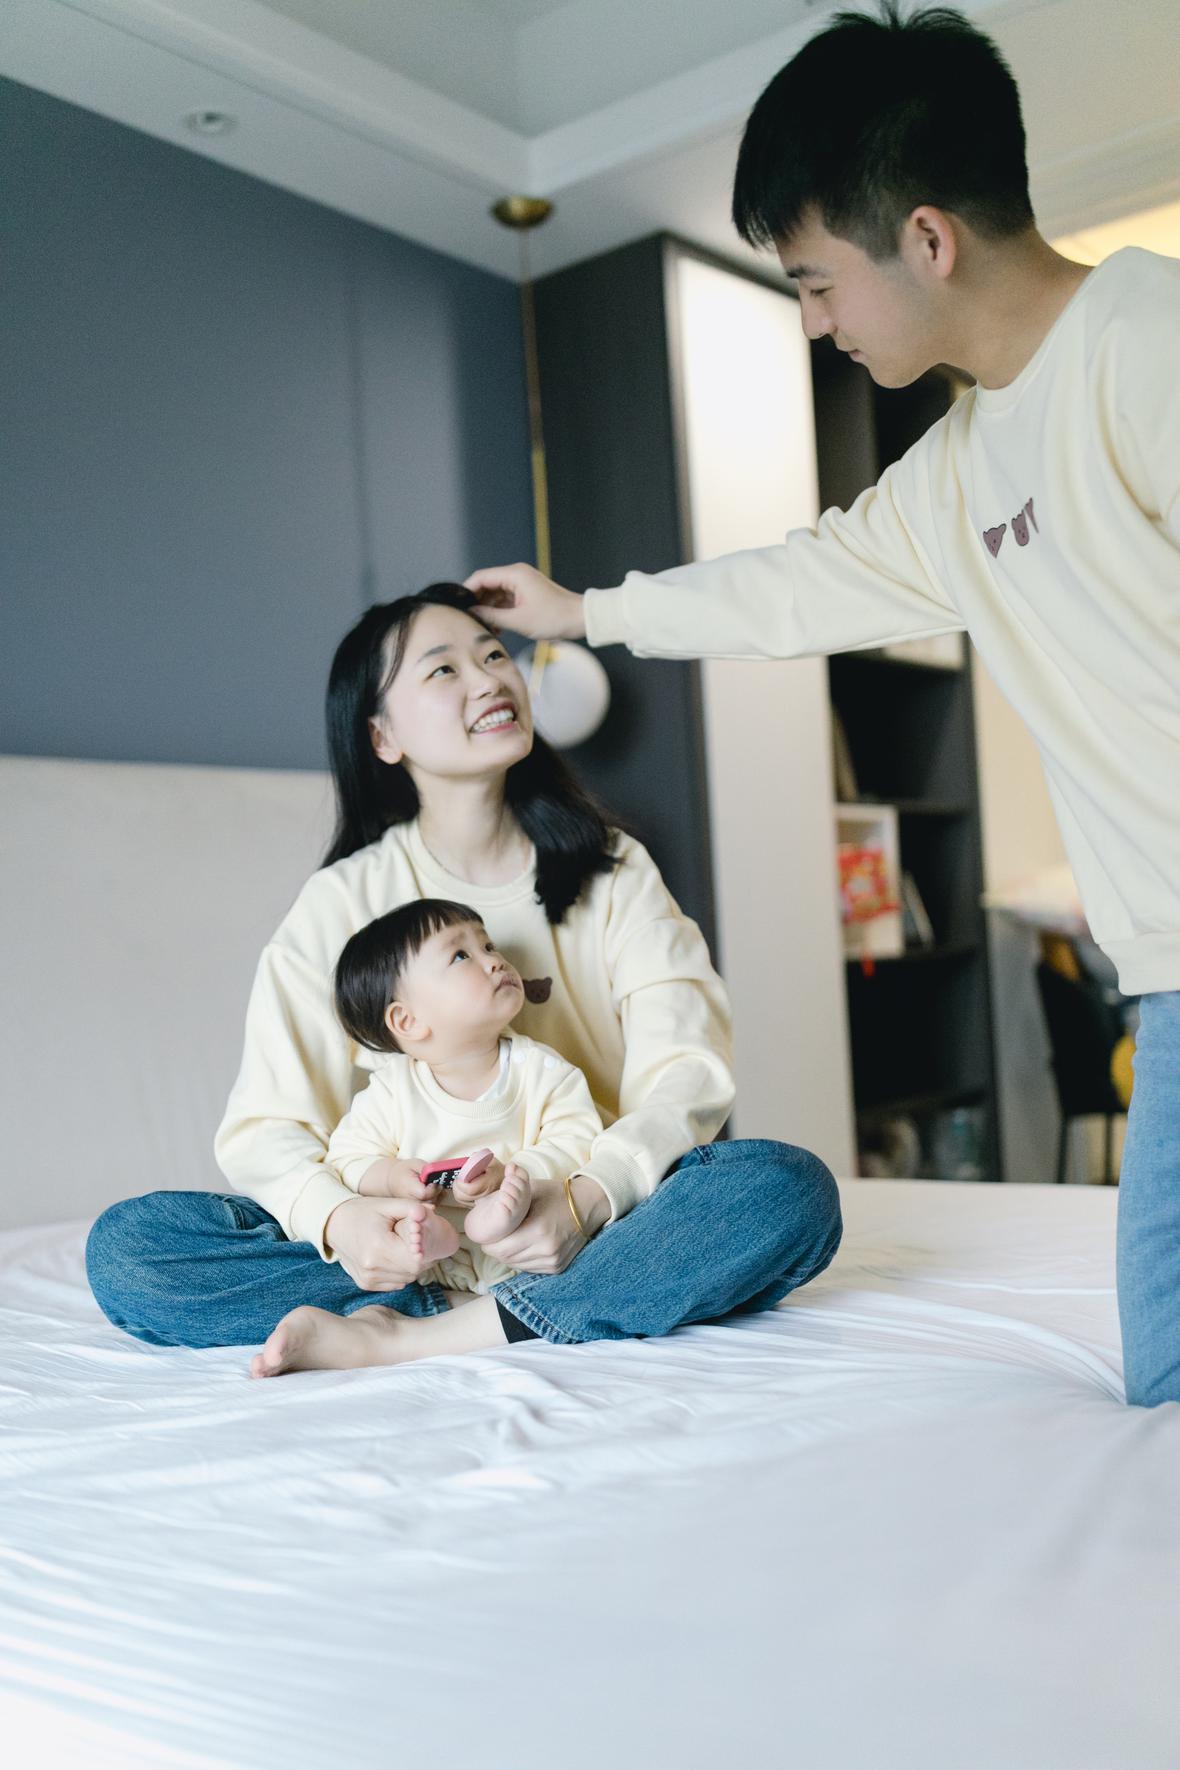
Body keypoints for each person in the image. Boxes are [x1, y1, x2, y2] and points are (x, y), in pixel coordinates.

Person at [464, 3, 1180, 1407]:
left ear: (927, 239)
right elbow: (793, 586)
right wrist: (587, 613)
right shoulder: (960, 469)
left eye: (814, 281)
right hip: (1165, 974)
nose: (813, 321)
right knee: (1162, 1389)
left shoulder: (1146, 340)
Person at [85, 584, 842, 1362]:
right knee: (130, 1250)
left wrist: (582, 1202)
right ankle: (491, 1309)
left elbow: (685, 1075)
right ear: (382, 736)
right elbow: (268, 1128)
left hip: (597, 1229)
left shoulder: (614, 871)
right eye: (444, 669)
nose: (489, 679)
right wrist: (344, 1221)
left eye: (494, 655)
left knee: (786, 1191)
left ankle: (417, 1334)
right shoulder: (342, 901)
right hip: (421, 1247)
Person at [250, 898, 604, 1375]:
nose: (494, 961)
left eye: (488, 946)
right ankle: (433, 1243)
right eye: (461, 955)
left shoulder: (543, 1072)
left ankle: (481, 1247)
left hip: (527, 1250)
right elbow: (346, 1158)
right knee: (405, 1226)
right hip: (423, 1264)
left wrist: (512, 1177)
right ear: (407, 1021)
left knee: (616, 1236)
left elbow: (579, 1140)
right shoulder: (392, 1091)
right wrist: (392, 1177)